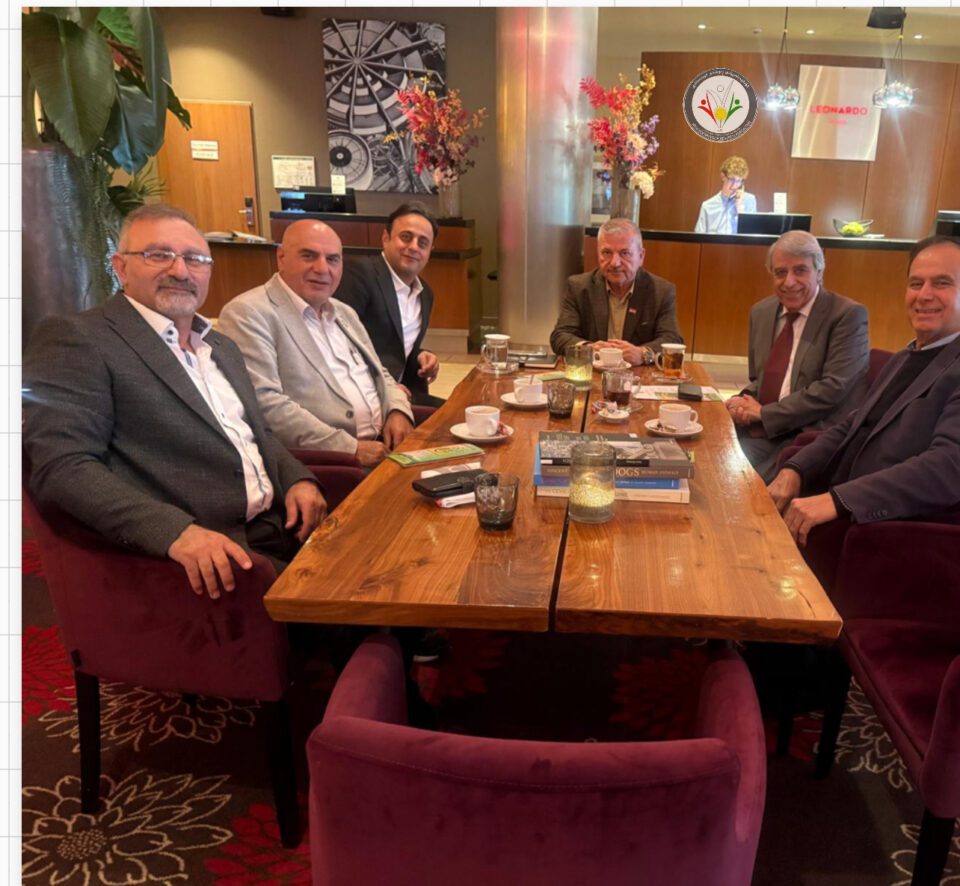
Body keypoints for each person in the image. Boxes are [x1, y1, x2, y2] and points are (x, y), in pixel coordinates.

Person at [23, 203, 327, 599]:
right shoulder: (79, 339)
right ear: (121, 266)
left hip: (282, 527)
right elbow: (63, 467)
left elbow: (258, 434)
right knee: (363, 608)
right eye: (158, 255)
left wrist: (297, 477)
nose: (181, 271)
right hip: (214, 557)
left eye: (195, 259)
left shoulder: (221, 347)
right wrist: (175, 532)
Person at [769, 235, 960, 546]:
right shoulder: (905, 357)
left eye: (941, 283)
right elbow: (852, 425)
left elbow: (948, 466)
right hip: (833, 505)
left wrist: (839, 501)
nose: (924, 295)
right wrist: (796, 468)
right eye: (916, 283)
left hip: (878, 534)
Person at [217, 219, 415, 468]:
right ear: (281, 258)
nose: (322, 269)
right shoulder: (249, 313)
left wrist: (398, 410)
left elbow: (379, 372)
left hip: (387, 448)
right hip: (333, 464)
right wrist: (350, 448)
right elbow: (266, 405)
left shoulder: (344, 312)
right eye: (309, 256)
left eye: (332, 259)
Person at [726, 231, 869, 482]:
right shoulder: (761, 312)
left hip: (808, 437)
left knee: (742, 485)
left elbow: (833, 389)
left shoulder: (847, 316)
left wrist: (765, 414)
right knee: (706, 459)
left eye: (800, 270)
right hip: (762, 430)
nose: (789, 282)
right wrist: (740, 401)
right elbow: (760, 379)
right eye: (780, 272)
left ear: (819, 271)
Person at [336, 202, 443, 407]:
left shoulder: (425, 294)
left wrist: (420, 355)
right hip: (366, 397)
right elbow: (339, 346)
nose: (414, 247)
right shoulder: (360, 274)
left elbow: (394, 346)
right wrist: (386, 386)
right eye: (406, 237)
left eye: (423, 243)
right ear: (386, 238)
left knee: (467, 412)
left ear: (430, 251)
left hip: (404, 394)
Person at [549, 218, 682, 366]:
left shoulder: (661, 291)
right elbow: (560, 336)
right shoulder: (579, 287)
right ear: (598, 254)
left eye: (625, 253)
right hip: (592, 374)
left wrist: (643, 353)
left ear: (641, 256)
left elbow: (672, 339)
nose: (615, 263)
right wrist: (588, 348)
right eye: (607, 253)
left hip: (637, 375)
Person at [694, 155, 758, 235]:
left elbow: (751, 235)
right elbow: (698, 237)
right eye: (732, 179)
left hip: (739, 243)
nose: (734, 185)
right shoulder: (707, 206)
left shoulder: (749, 201)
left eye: (739, 181)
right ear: (723, 176)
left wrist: (739, 208)